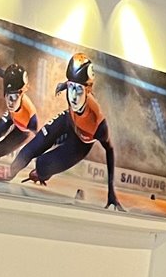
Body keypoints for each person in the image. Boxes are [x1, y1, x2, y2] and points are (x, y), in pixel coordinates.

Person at [9, 53, 121, 209]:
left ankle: (43, 172)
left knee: (42, 166)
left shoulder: (98, 122)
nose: (73, 96)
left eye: (79, 90)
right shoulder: (72, 91)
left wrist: (111, 191)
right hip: (68, 121)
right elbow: (71, 84)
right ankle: (10, 172)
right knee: (33, 147)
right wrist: (63, 85)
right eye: (71, 87)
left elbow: (110, 150)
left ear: (88, 90)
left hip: (80, 143)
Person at [0, 63, 38, 165]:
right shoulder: (15, 88)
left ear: (21, 93)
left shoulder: (31, 117)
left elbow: (40, 139)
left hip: (22, 131)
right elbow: (13, 82)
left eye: (14, 97)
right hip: (12, 116)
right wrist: (4, 74)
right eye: (8, 96)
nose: (10, 102)